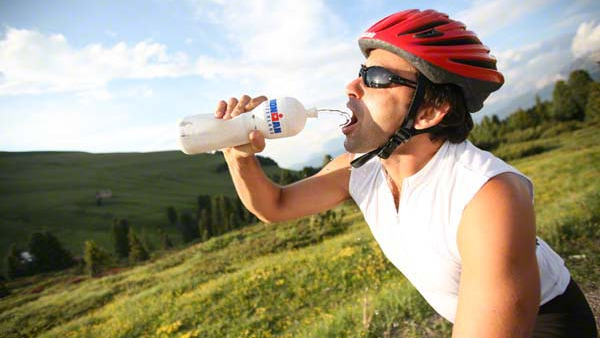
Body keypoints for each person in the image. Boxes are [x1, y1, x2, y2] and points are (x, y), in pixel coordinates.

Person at [215, 9, 598, 338]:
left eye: (376, 78)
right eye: (360, 72)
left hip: (547, 325)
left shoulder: (486, 196)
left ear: (430, 110)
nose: (352, 86)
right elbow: (275, 205)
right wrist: (240, 154)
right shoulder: (360, 169)